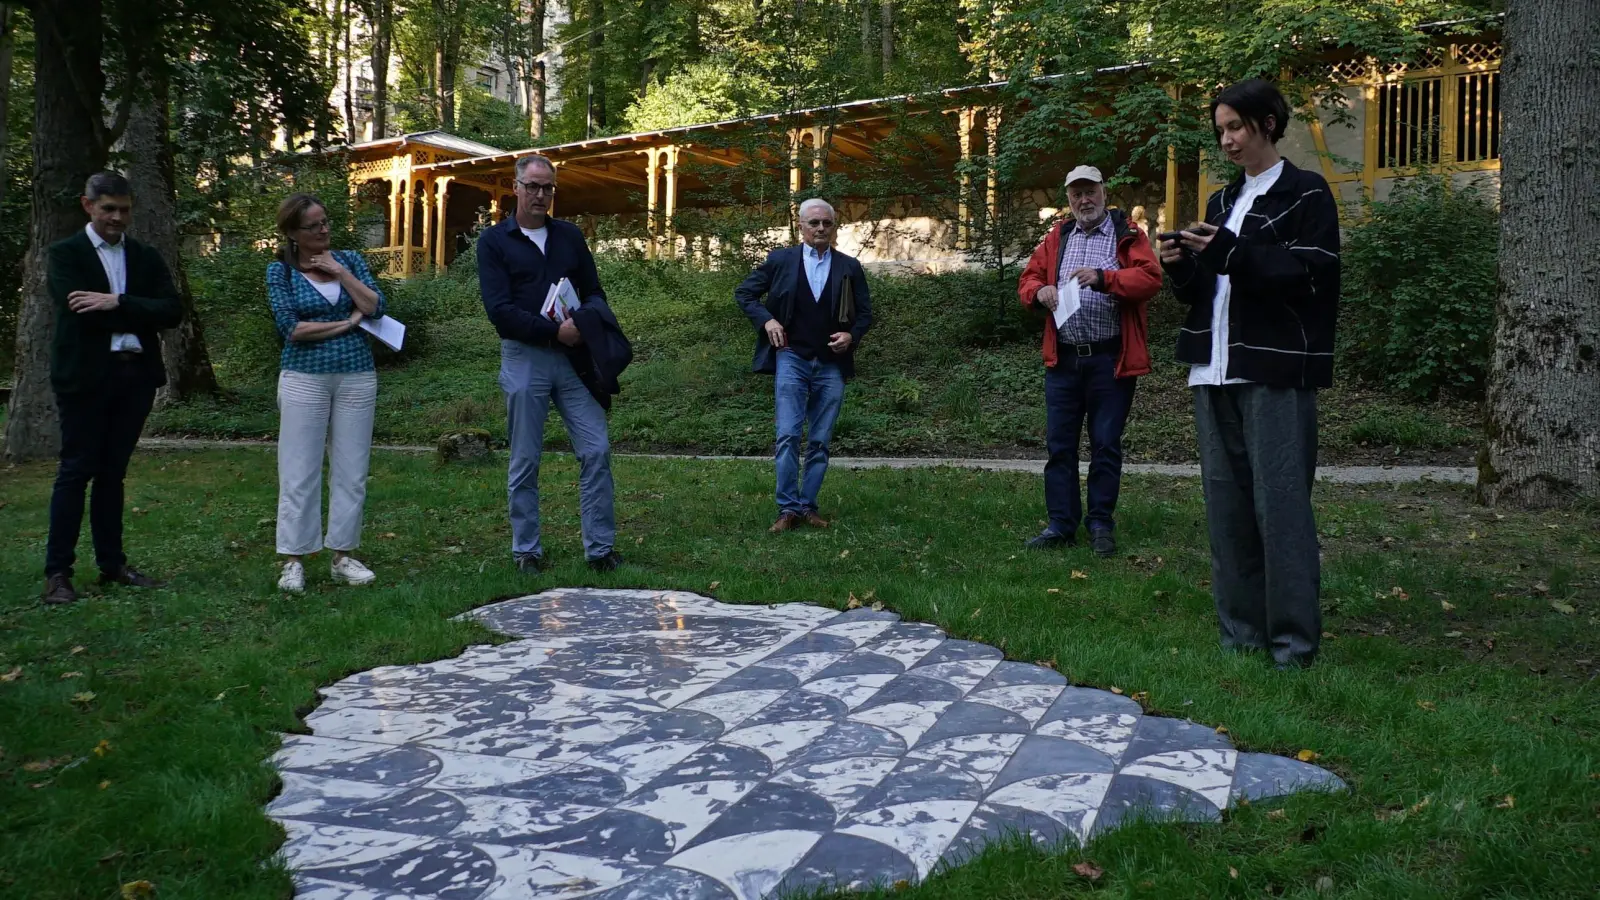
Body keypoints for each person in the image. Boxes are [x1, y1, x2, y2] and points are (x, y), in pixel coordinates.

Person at [1160, 79, 1341, 669]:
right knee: (1227, 511)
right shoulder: (1220, 202)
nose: (1227, 141)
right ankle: (1241, 637)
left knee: (1281, 506)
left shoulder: (1306, 193)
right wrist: (1183, 267)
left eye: (1235, 127)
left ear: (1266, 123)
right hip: (1213, 371)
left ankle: (1292, 646)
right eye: (1220, 131)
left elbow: (1309, 278)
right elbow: (1210, 292)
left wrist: (1231, 252)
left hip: (1273, 372)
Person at [41, 172, 184, 605]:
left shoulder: (144, 256)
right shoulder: (65, 254)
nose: (117, 218)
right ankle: (58, 573)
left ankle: (112, 563)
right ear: (88, 206)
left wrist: (117, 301)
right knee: (75, 471)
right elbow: (79, 309)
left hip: (134, 376)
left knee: (113, 473)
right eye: (108, 210)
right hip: (85, 377)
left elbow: (172, 311)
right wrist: (135, 311)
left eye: (124, 209)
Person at [477, 154, 623, 573]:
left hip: (574, 359)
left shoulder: (569, 237)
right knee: (525, 457)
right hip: (526, 357)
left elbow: (595, 291)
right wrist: (550, 331)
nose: (541, 195)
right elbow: (499, 310)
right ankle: (527, 551)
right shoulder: (494, 241)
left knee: (596, 449)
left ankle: (600, 549)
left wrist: (581, 319)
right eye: (533, 186)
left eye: (548, 188)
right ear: (516, 187)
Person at [1018, 166, 1163, 557]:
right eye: (1076, 194)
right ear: (1068, 199)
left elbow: (1150, 279)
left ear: (1104, 192)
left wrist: (1105, 278)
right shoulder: (1057, 237)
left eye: (1090, 192)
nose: (1084, 200)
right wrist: (1040, 291)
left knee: (1105, 445)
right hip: (1063, 361)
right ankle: (1061, 525)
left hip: (1109, 361)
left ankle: (1100, 523)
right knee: (1060, 447)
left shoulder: (1127, 234)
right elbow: (1027, 280)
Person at [267, 193, 388, 593]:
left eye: (325, 221)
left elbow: (374, 305)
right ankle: (293, 559)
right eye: (313, 225)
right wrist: (347, 324)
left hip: (356, 376)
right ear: (292, 233)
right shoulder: (280, 272)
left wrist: (340, 272)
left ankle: (343, 555)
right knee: (299, 470)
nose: (323, 229)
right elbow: (293, 329)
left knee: (352, 470)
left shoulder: (349, 261)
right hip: (304, 377)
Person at [735, 198, 873, 533]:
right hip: (791, 358)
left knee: (820, 440)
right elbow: (745, 294)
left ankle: (808, 506)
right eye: (814, 223)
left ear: (834, 226)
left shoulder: (849, 266)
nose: (821, 229)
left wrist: (851, 335)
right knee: (787, 436)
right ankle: (787, 509)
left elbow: (866, 313)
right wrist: (767, 321)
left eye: (827, 223)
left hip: (831, 362)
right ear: (801, 226)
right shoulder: (781, 260)